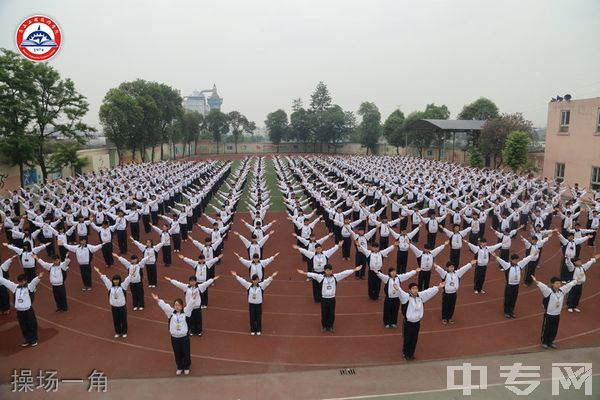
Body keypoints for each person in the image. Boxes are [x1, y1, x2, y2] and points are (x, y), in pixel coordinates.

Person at [297, 264, 361, 333]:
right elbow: (313, 275)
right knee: (324, 313)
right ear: (324, 271)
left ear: (331, 270)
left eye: (329, 270)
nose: (328, 272)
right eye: (326, 270)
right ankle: (324, 326)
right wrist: (304, 273)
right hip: (324, 299)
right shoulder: (321, 277)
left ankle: (331, 326)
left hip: (332, 298)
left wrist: (354, 270)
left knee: (331, 313)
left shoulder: (336, 277)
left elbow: (344, 273)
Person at [399, 281, 444, 360]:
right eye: (413, 289)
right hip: (408, 323)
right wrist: (397, 288)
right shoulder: (406, 298)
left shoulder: (421, 296)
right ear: (409, 290)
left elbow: (428, 292)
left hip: (417, 323)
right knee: (407, 338)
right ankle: (406, 353)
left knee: (414, 338)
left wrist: (438, 287)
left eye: (416, 288)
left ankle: (411, 353)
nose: (415, 290)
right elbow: (401, 292)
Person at [531, 275, 579, 349]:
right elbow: (542, 286)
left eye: (559, 283)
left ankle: (551, 341)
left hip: (557, 315)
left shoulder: (562, 291)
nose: (559, 285)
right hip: (549, 314)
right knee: (546, 328)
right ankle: (544, 342)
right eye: (557, 283)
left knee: (554, 329)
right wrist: (536, 281)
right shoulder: (548, 292)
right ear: (552, 284)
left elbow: (569, 285)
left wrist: (576, 280)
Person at [151, 293, 194, 375]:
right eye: (175, 305)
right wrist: (157, 299)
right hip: (174, 338)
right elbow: (164, 306)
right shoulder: (171, 313)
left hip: (184, 337)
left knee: (185, 352)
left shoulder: (186, 312)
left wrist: (193, 299)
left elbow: (190, 305)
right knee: (177, 352)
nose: (177, 307)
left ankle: (186, 366)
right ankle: (179, 367)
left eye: (179, 305)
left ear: (182, 306)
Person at [0, 271, 43, 346]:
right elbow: (5, 281)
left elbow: (34, 282)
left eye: (22, 281)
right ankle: (27, 339)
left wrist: (39, 277)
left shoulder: (30, 287)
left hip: (28, 311)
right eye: (19, 282)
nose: (20, 283)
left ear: (25, 281)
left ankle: (33, 340)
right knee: (23, 326)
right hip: (20, 312)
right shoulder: (15, 287)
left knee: (32, 325)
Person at [231, 270, 278, 335]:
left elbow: (267, 281)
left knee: (258, 317)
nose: (255, 281)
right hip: (251, 304)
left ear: (258, 280)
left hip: (258, 304)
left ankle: (258, 329)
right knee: (252, 317)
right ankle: (252, 330)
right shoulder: (248, 285)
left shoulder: (261, 286)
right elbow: (242, 281)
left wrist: (272, 276)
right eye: (254, 280)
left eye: (256, 280)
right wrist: (236, 276)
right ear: (252, 280)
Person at [94, 266, 132, 338]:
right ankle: (118, 332)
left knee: (123, 319)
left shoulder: (123, 286)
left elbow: (128, 279)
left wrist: (131, 274)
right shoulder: (110, 286)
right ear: (113, 281)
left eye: (117, 280)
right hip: (114, 307)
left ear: (119, 280)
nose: (116, 281)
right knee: (116, 320)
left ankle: (124, 332)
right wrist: (98, 271)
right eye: (114, 280)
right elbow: (104, 279)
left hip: (122, 307)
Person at [493, 252, 534, 318]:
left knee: (514, 299)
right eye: (515, 260)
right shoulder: (507, 265)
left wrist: (532, 255)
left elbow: (526, 260)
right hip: (509, 285)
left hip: (516, 285)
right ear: (511, 260)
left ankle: (511, 311)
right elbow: (501, 261)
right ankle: (506, 312)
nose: (516, 261)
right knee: (508, 299)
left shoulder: (519, 265)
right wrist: (496, 257)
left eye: (517, 260)